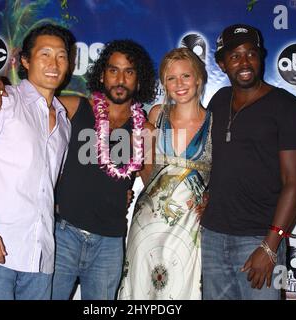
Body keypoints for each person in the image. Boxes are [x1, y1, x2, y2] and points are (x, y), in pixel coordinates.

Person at [0, 39, 157, 300]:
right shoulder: (75, 108)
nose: (120, 79)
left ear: (138, 80)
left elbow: (153, 184)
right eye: (113, 70)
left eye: (129, 72)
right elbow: (31, 98)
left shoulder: (145, 130)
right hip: (64, 234)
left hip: (109, 242)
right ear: (102, 75)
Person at [0, 24, 74, 300]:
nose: (54, 63)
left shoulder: (63, 122)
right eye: (45, 54)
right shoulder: (0, 100)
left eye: (61, 56)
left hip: (39, 257)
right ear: (25, 61)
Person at [200, 24, 296, 300]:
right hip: (212, 236)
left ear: (261, 57)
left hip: (260, 240)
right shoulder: (219, 100)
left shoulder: (289, 109)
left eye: (251, 53)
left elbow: (294, 184)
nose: (244, 62)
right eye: (235, 56)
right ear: (222, 63)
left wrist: (271, 245)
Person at [118, 47, 212, 300]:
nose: (179, 84)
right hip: (147, 225)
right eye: (171, 78)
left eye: (186, 76)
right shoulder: (156, 116)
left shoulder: (216, 122)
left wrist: (211, 198)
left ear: (199, 78)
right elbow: (148, 174)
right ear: (164, 84)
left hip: (190, 231)